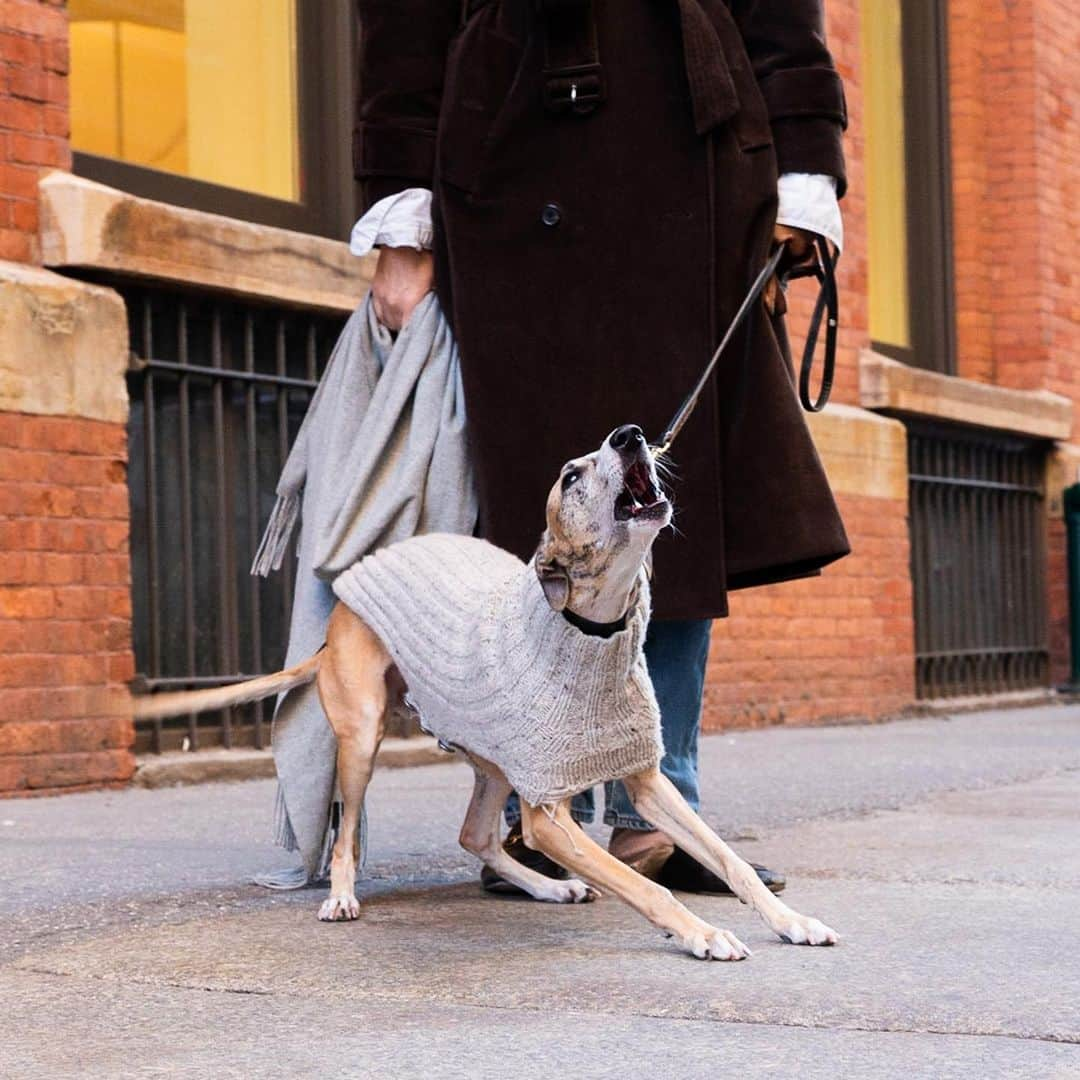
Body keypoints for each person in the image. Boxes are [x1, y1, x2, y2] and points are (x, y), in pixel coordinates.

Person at [351, 0, 849, 893]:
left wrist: (807, 166)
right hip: (503, 157)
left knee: (659, 500)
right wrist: (400, 215)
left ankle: (654, 814)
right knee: (530, 503)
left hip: (686, 151)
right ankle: (538, 811)